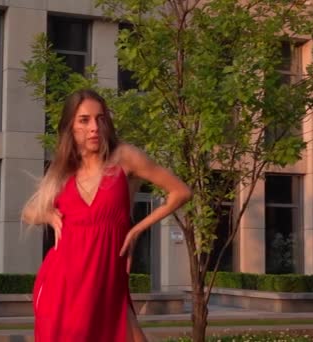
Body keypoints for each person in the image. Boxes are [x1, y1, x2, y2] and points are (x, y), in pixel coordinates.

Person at [22, 89, 192, 342]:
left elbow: (181, 192)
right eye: (84, 120)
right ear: (70, 126)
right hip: (62, 284)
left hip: (107, 281)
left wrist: (136, 230)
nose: (94, 127)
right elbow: (28, 212)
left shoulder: (124, 157)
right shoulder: (63, 171)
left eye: (100, 119)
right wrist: (47, 215)